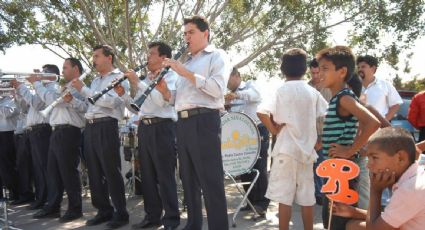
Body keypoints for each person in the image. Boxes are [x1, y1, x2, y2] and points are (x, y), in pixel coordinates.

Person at [162, 15, 230, 230]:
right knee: (188, 179)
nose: (186, 37)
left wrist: (184, 72)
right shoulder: (188, 62)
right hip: (182, 124)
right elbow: (180, 100)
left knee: (210, 180)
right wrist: (165, 91)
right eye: (185, 33)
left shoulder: (216, 56)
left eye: (191, 32)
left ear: (205, 33)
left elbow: (218, 90)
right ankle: (193, 225)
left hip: (204, 121)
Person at [257, 48, 329, 230]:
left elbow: (261, 111)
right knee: (307, 198)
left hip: (285, 151)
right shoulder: (312, 92)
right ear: (305, 69)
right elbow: (327, 115)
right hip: (306, 151)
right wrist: (320, 142)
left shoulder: (280, 91)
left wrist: (273, 128)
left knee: (284, 198)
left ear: (282, 69)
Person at [116, 41, 180, 230]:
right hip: (145, 128)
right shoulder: (145, 78)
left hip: (163, 128)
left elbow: (162, 102)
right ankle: (152, 217)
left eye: (151, 54)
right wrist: (123, 96)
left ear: (163, 58)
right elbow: (137, 108)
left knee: (165, 176)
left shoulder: (172, 76)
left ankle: (171, 219)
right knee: (148, 176)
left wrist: (137, 82)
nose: (147, 57)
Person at [317, 46, 380, 230]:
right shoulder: (336, 98)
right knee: (330, 219)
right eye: (319, 68)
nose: (320, 73)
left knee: (337, 222)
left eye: (325, 68)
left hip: (342, 175)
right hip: (334, 172)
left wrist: (350, 150)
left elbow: (373, 122)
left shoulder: (344, 98)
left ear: (342, 72)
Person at [72, 45, 129, 229]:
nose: (93, 60)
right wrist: (73, 99)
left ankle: (121, 213)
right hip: (91, 127)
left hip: (107, 125)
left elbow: (112, 103)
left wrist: (85, 90)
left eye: (96, 56)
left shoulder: (120, 77)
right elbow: (89, 106)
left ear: (109, 58)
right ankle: (103, 210)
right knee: (94, 172)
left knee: (111, 171)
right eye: (93, 56)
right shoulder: (96, 81)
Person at [333, 127, 425, 230]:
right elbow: (394, 217)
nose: (368, 165)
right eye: (368, 158)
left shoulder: (409, 190)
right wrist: (354, 212)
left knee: (351, 226)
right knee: (353, 225)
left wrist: (375, 191)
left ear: (400, 158)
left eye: (375, 157)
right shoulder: (416, 175)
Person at [32, 58, 87, 222]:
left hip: (69, 131)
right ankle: (53, 207)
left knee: (68, 172)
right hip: (56, 131)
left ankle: (75, 208)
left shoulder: (78, 86)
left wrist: (37, 83)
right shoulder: (65, 86)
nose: (62, 71)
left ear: (75, 68)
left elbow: (55, 102)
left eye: (65, 67)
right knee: (53, 172)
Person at [225, 67, 270, 215]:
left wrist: (236, 95)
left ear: (236, 75)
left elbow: (255, 95)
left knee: (259, 166)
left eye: (228, 78)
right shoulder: (227, 95)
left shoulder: (250, 85)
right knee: (243, 167)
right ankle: (250, 201)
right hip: (240, 135)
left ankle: (262, 203)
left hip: (257, 130)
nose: (226, 82)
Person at [12, 65, 57, 210]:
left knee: (45, 168)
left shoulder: (52, 88)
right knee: (37, 169)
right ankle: (41, 198)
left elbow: (37, 104)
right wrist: (19, 91)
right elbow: (24, 109)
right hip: (33, 131)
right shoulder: (39, 88)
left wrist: (27, 86)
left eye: (44, 72)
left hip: (43, 130)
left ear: (52, 75)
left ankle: (50, 202)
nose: (40, 75)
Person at [308, 58, 332, 205]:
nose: (315, 76)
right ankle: (317, 193)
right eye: (313, 73)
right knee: (314, 164)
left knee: (324, 164)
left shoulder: (329, 87)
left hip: (327, 133)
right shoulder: (307, 87)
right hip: (311, 133)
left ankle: (325, 193)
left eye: (318, 72)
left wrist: (322, 140)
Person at [357, 55, 403, 122]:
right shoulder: (353, 86)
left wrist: (384, 121)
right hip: (357, 128)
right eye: (358, 67)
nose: (360, 69)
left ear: (373, 68)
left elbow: (395, 104)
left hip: (379, 129)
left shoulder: (385, 85)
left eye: (363, 67)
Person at [10, 93, 34, 205]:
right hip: (19, 134)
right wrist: (16, 97)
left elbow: (24, 108)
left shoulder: (29, 94)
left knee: (26, 166)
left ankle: (28, 194)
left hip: (26, 133)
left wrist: (20, 94)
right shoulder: (18, 98)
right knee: (21, 166)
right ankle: (25, 193)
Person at [0, 93, 19, 201]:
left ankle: (14, 192)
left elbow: (7, 113)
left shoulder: (10, 99)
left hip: (7, 134)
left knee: (8, 165)